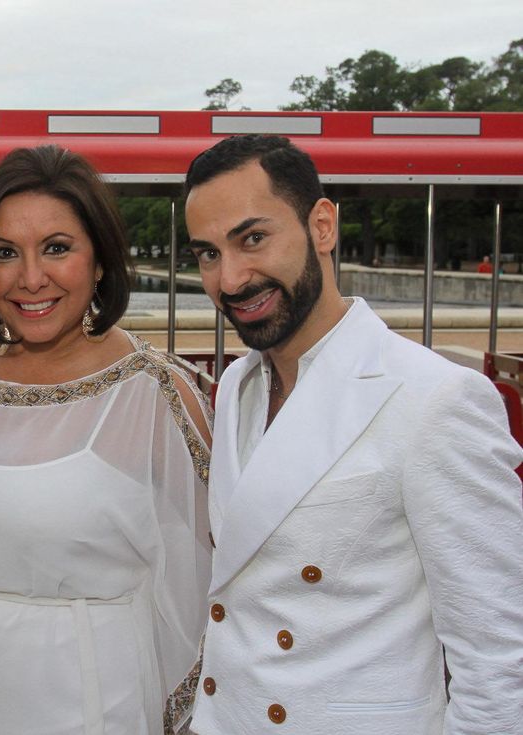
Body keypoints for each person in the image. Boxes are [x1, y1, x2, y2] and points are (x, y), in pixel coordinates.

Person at [183, 134, 523, 734]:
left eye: (253, 239)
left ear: (321, 226)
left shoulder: (436, 398)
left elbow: (499, 656)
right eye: (208, 254)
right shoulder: (236, 385)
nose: (230, 279)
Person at [0, 145, 213, 734]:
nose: (30, 279)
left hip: (86, 702)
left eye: (57, 249)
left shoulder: (155, 395)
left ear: (99, 260)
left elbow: (199, 594)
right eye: (5, 253)